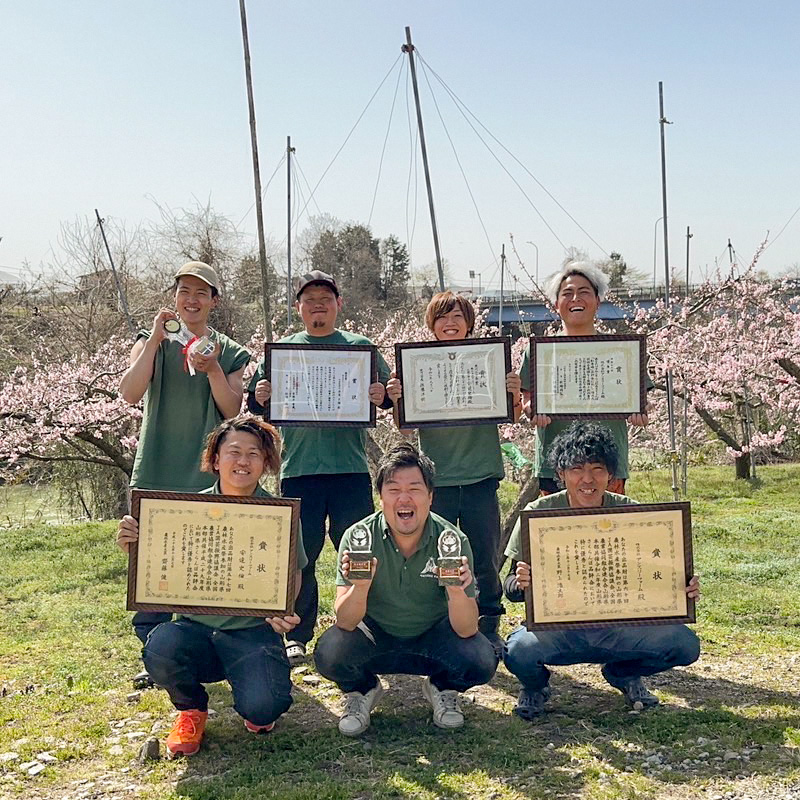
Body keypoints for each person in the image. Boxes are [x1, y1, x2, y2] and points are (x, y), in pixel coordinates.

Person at [116, 416, 307, 758]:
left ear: (265, 463)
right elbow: (157, 562)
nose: (243, 461)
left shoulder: (280, 514)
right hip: (196, 630)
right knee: (160, 647)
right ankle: (191, 710)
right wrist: (136, 543)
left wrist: (283, 607)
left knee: (264, 707)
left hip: (252, 632)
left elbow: (293, 573)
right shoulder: (181, 511)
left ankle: (257, 706)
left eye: (254, 453)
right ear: (215, 459)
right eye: (233, 452)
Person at [502, 421, 700, 719]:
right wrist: (520, 584)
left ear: (611, 475)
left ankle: (623, 673)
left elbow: (654, 573)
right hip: (560, 628)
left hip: (621, 627)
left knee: (684, 645)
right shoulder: (537, 514)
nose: (587, 479)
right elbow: (508, 587)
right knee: (518, 650)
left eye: (597, 469)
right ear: (560, 475)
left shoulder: (633, 513)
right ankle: (535, 687)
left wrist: (682, 587)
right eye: (576, 470)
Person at [247, 270, 391, 665]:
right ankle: (297, 631)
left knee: (359, 549)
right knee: (300, 554)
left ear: (338, 306)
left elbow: (390, 393)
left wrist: (381, 395)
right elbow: (256, 403)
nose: (318, 306)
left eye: (325, 299)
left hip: (350, 469)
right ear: (298, 308)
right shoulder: (283, 351)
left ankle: (370, 623)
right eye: (309, 300)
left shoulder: (359, 347)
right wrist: (261, 396)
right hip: (299, 470)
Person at [119, 261, 250, 677]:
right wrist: (156, 339)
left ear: (214, 300)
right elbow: (129, 393)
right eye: (184, 292)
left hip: (205, 472)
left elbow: (232, 408)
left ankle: (200, 644)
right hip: (155, 464)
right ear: (174, 297)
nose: (191, 300)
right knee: (150, 560)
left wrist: (212, 368)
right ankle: (153, 650)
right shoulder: (150, 339)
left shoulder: (228, 349)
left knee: (203, 559)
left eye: (201, 293)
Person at [313, 443, 498, 736]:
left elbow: (465, 630)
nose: (404, 498)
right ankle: (362, 690)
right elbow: (345, 622)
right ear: (381, 497)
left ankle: (442, 686)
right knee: (330, 651)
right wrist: (360, 587)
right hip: (376, 637)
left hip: (434, 638)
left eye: (414, 488)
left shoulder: (451, 540)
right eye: (394, 489)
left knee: (482, 658)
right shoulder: (358, 537)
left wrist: (455, 591)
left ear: (430, 496)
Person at [386, 291, 522, 652]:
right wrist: (399, 397)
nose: (450, 323)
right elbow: (404, 428)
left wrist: (513, 392)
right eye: (442, 317)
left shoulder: (487, 361)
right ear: (431, 325)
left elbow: (513, 415)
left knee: (484, 553)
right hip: (438, 480)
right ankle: (442, 619)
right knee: (438, 553)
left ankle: (489, 620)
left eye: (458, 317)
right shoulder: (419, 366)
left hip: (480, 476)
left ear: (470, 323)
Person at [519, 261, 649, 496]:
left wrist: (640, 411)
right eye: (567, 293)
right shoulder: (539, 351)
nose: (575, 298)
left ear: (598, 302)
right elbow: (527, 399)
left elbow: (641, 400)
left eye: (584, 292)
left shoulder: (621, 351)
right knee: (559, 528)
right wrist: (533, 411)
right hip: (555, 466)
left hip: (608, 463)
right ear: (556, 304)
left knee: (607, 528)